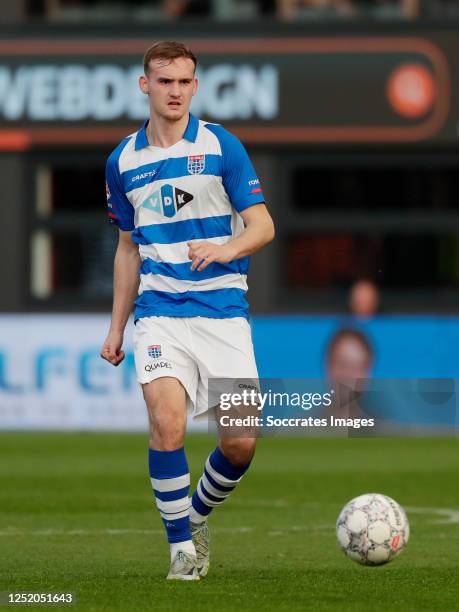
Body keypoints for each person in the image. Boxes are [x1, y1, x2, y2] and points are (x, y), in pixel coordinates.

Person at [100, 41, 275, 581]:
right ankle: (180, 551)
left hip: (223, 310)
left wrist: (225, 248)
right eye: (164, 80)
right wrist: (117, 327)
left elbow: (263, 226)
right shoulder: (122, 161)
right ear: (144, 85)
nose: (174, 91)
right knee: (167, 422)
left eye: (184, 81)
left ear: (195, 86)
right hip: (159, 312)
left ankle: (193, 517)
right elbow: (129, 248)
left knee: (241, 443)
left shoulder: (222, 146)